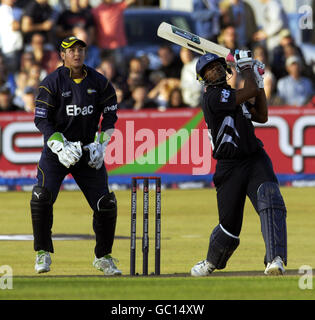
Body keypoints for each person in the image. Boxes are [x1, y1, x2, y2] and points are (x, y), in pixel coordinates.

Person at [191, 50, 287, 276]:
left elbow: (262, 115)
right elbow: (249, 90)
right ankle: (211, 262)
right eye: (208, 69)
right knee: (229, 229)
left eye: (216, 66)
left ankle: (275, 260)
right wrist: (248, 69)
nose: (214, 70)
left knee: (271, 201)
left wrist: (258, 79)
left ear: (225, 69)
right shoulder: (212, 97)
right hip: (229, 166)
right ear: (203, 78)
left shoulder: (235, 94)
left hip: (254, 159)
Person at [30, 36, 121, 276]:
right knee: (41, 197)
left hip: (87, 151)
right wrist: (58, 145)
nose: (77, 54)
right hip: (57, 153)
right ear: (62, 54)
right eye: (71, 50)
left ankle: (103, 257)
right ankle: (42, 252)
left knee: (106, 204)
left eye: (81, 49)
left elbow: (111, 115)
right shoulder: (51, 82)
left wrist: (101, 143)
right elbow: (41, 119)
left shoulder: (99, 81)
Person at [0, 0, 23, 74]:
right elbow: (15, 26)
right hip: (9, 48)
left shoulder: (14, 9)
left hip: (16, 47)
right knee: (12, 73)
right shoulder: (4, 9)